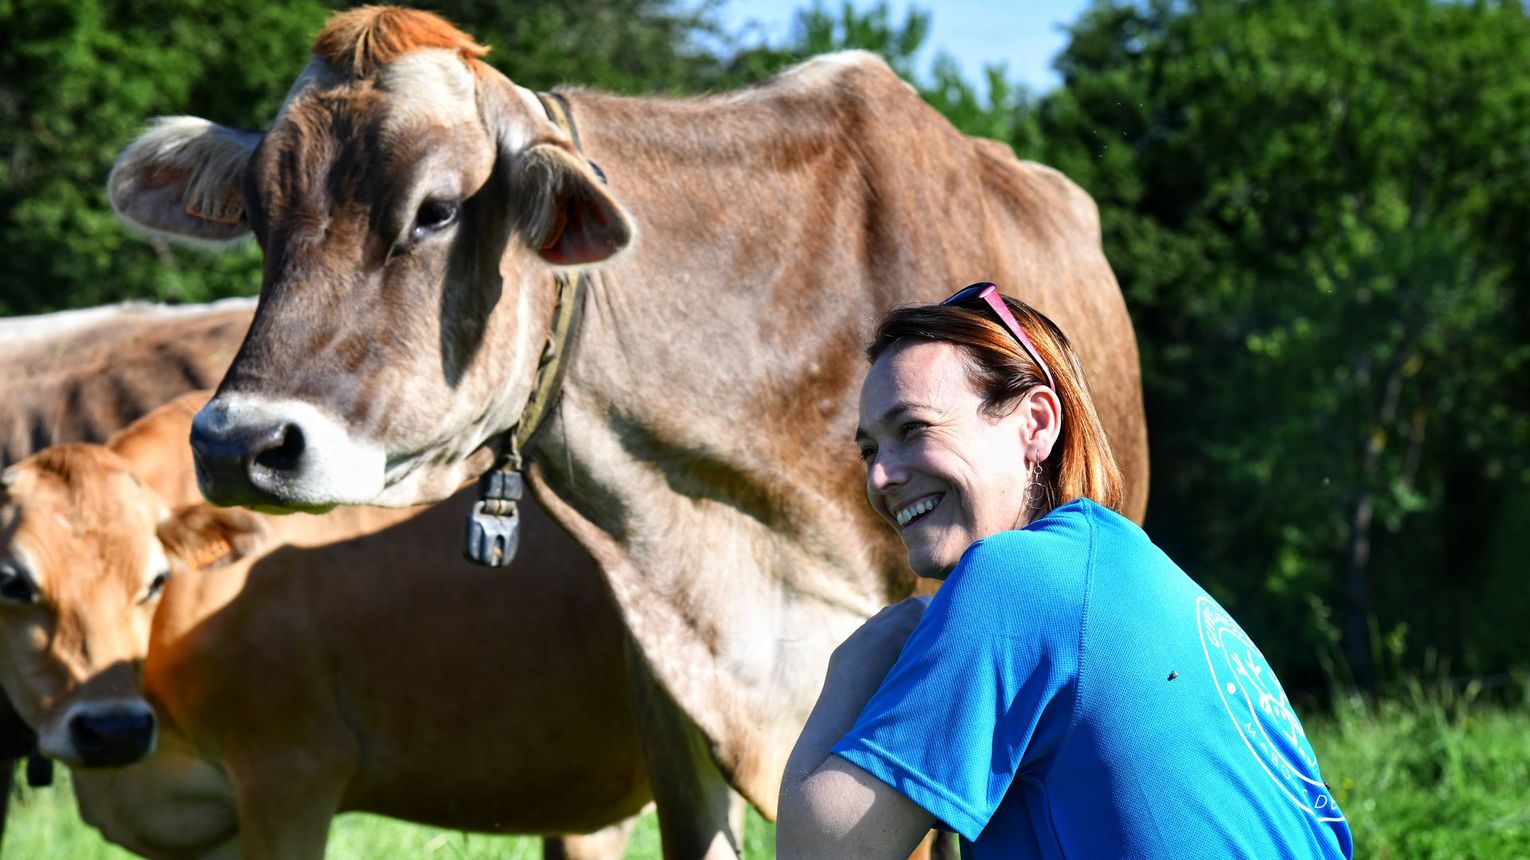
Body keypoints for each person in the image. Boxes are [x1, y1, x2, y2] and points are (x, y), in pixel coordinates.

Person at [777, 283, 1353, 859]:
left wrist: (862, 655)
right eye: (870, 451)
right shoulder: (1138, 576)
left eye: (914, 429)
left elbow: (819, 854)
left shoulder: (1012, 579)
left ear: (1036, 423)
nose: (880, 478)